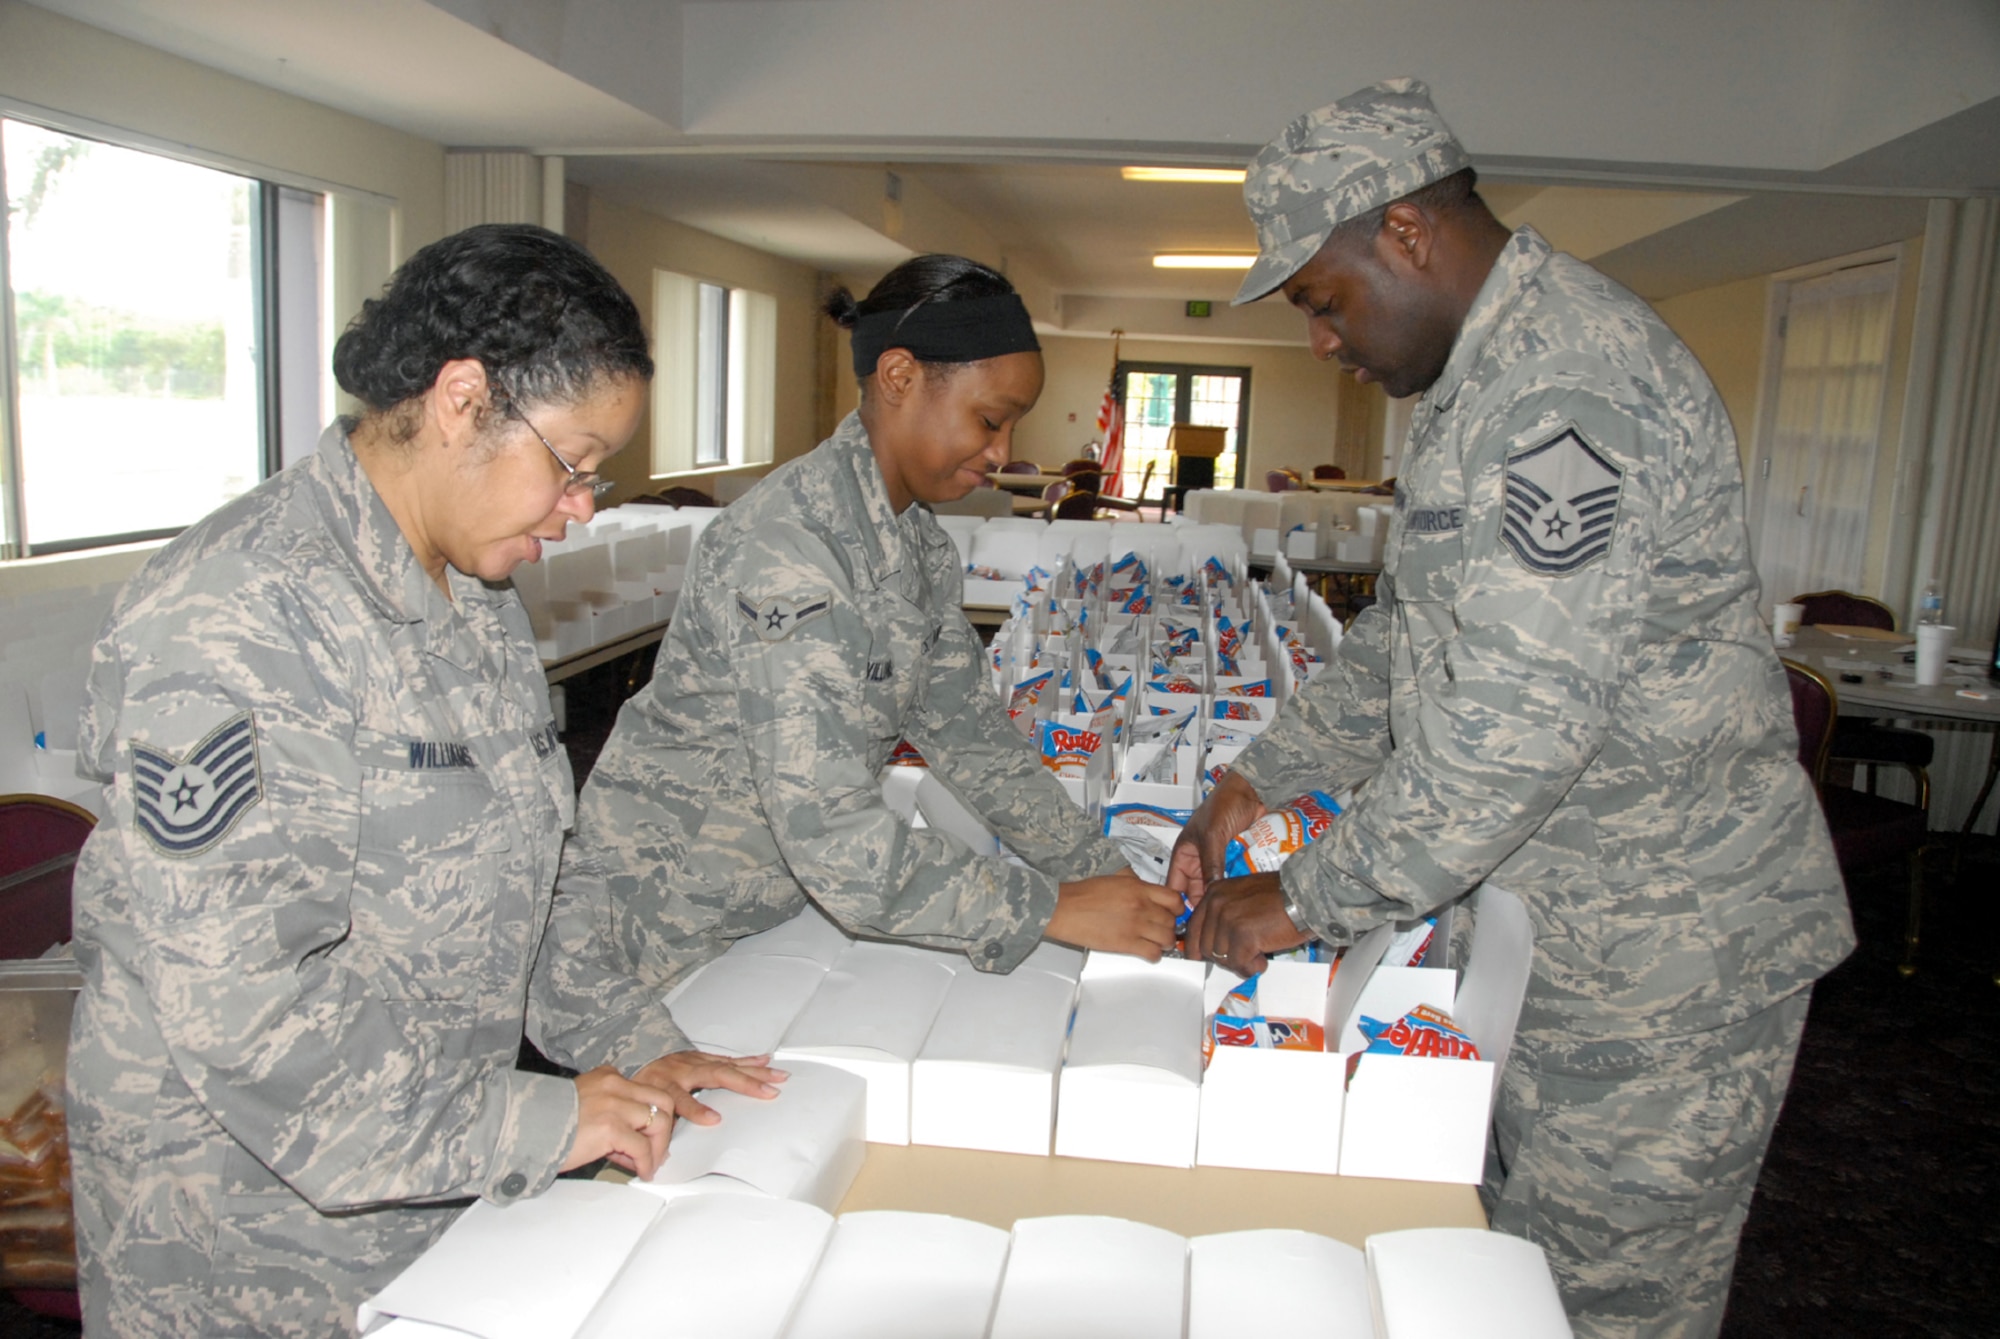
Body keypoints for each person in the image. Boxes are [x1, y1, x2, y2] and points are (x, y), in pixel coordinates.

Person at [1174, 80, 1854, 1339]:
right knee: (1498, 1275)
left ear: (1406, 233)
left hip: (1665, 963)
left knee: (1598, 1309)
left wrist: (1297, 897)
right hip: (1557, 931)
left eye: (1320, 299)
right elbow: (1403, 637)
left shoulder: (1563, 389)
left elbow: (1508, 735)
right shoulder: (1475, 387)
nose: (1320, 340)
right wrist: (1254, 776)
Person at [67, 224, 783, 1338]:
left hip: (431, 1197)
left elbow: (530, 886)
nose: (583, 504)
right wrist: (537, 1123)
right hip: (242, 1246)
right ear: (461, 399)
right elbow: (246, 1011)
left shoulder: (475, 596)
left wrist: (630, 1039)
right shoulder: (239, 616)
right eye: (573, 462)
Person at [563, 254, 1180, 991]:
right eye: (990, 420)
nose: (1002, 454)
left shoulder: (915, 543)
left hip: (757, 914)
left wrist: (1105, 873)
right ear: (899, 378)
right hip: (657, 927)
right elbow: (829, 836)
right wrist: (1052, 906)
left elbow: (974, 739)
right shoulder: (791, 551)